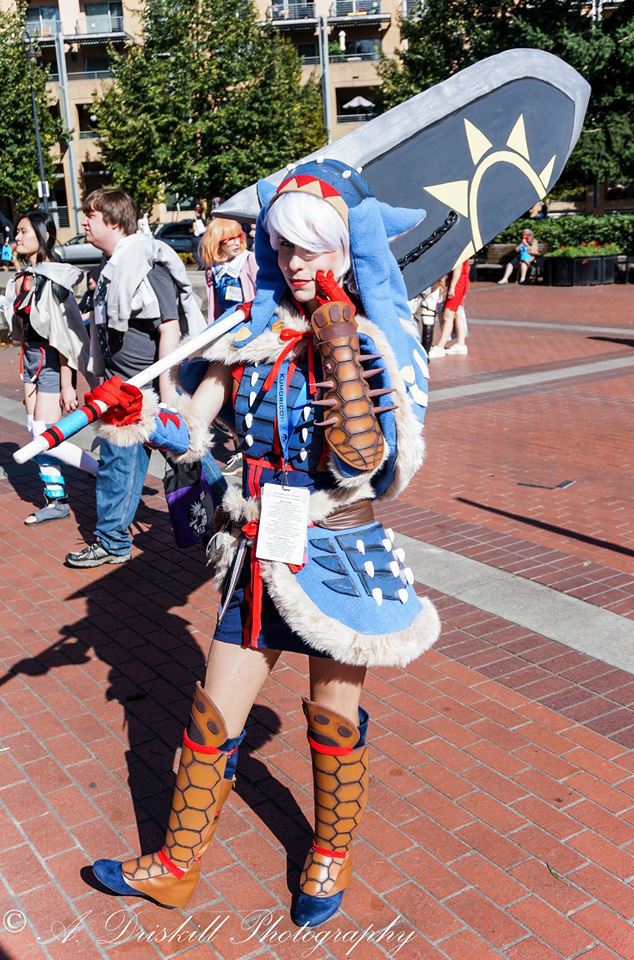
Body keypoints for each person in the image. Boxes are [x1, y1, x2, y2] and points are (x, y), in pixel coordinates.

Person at [88, 159, 439, 925]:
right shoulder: (251, 335)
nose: (296, 261)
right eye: (284, 245)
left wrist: (339, 340)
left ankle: (329, 855)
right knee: (213, 715)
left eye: (313, 245)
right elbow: (193, 428)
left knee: (332, 717)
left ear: (346, 248)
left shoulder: (372, 340)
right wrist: (138, 415)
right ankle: (176, 868)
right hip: (258, 550)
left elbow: (367, 463)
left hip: (339, 555)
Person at [64, 187, 208, 568]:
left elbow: (169, 326)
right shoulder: (114, 264)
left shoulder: (147, 261)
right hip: (124, 388)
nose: (83, 223)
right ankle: (115, 538)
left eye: (91, 216)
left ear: (113, 220)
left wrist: (166, 392)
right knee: (125, 466)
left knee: (177, 460)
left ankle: (115, 540)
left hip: (140, 392)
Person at [5, 211, 93, 523]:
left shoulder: (55, 278)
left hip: (51, 363)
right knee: (35, 432)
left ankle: (105, 471)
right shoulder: (23, 277)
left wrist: (68, 384)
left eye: (23, 231)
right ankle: (56, 499)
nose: (17, 237)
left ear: (42, 235)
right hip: (30, 361)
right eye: (17, 231)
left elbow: (66, 335)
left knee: (45, 434)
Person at [201, 218, 258, 322]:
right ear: (216, 241)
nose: (237, 243)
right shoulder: (213, 268)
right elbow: (213, 308)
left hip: (247, 323)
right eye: (230, 239)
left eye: (238, 237)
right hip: (224, 324)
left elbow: (263, 295)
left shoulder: (248, 260)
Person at [428, 259, 470, 357]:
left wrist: (452, 287)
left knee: (448, 316)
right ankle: (461, 344)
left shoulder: (458, 251)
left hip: (458, 283)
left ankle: (440, 347)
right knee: (457, 312)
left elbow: (458, 267)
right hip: (461, 281)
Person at [191, 203, 206, 270]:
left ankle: (201, 265)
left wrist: (191, 230)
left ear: (196, 212)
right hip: (202, 237)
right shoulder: (203, 219)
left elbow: (194, 229)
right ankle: (205, 265)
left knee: (195, 252)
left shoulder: (195, 219)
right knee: (202, 252)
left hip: (196, 238)